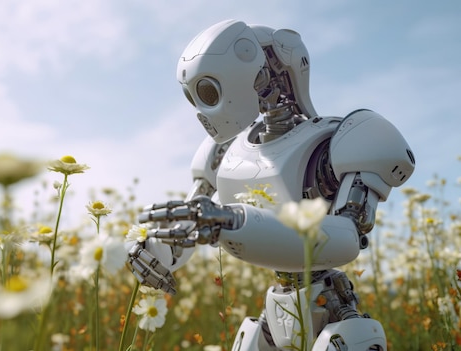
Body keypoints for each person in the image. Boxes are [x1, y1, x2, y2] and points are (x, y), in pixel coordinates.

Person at [126, 19, 415, 350]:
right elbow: (191, 223)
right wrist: (152, 248)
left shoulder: (341, 141)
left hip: (329, 304)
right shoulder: (225, 152)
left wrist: (232, 223)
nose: (205, 112)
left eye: (209, 92)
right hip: (275, 302)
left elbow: (346, 239)